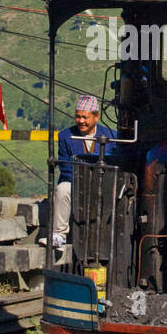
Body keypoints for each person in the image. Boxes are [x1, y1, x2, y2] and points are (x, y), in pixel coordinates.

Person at [42, 95, 115, 250]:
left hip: (103, 183)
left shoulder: (112, 135)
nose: (81, 121)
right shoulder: (65, 136)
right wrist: (83, 181)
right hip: (76, 181)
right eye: (78, 117)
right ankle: (59, 235)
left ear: (96, 117)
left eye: (85, 117)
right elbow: (65, 166)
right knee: (62, 190)